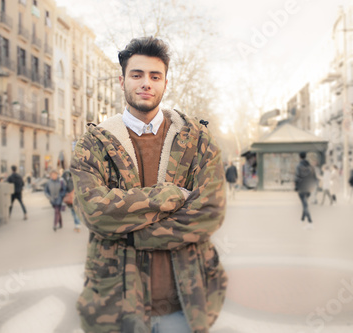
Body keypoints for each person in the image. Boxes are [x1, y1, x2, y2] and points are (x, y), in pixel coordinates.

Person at [71, 37, 227, 333]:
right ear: (122, 81)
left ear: (165, 83)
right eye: (137, 75)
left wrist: (130, 234)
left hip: (183, 305)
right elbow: (96, 213)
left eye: (155, 76)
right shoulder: (93, 143)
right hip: (116, 308)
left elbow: (209, 212)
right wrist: (171, 195)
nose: (146, 83)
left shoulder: (197, 140)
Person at [294, 152, 317, 228]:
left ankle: (310, 222)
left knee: (305, 205)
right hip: (309, 188)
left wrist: (296, 187)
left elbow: (297, 178)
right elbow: (315, 178)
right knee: (305, 203)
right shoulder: (311, 167)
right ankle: (302, 220)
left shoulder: (298, 166)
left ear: (300, 157)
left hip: (301, 188)